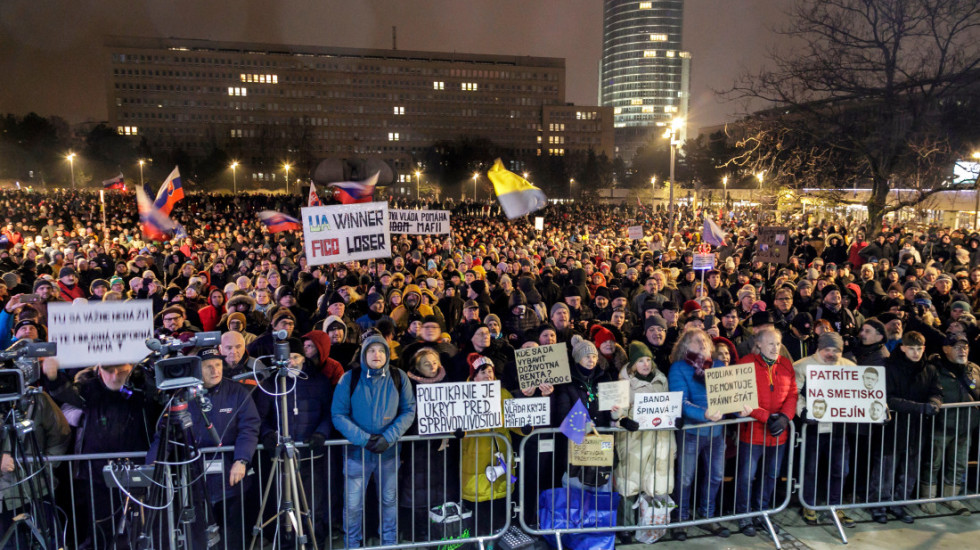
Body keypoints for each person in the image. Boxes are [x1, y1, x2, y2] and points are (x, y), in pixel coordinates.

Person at [331, 335, 416, 548]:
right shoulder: (349, 378)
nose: (376, 355)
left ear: (387, 354)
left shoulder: (399, 377)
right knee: (353, 505)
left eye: (380, 350)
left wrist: (388, 437)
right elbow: (338, 414)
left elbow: (409, 410)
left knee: (389, 501)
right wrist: (364, 439)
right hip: (356, 453)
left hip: (389, 452)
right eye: (371, 350)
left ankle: (389, 542)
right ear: (363, 354)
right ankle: (352, 543)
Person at [610, 342, 680, 540]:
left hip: (659, 441)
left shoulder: (661, 380)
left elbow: (668, 407)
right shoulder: (624, 382)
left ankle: (650, 526)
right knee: (629, 484)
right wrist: (623, 420)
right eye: (641, 360)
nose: (645, 364)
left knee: (655, 484)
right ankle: (626, 527)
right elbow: (617, 412)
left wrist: (676, 419)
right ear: (633, 364)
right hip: (634, 441)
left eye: (648, 360)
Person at [666, 329, 728, 541]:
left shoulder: (719, 366)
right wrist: (704, 413)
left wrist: (741, 409)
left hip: (717, 433)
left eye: (704, 340)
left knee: (716, 475)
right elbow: (680, 402)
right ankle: (681, 519)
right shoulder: (678, 368)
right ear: (685, 346)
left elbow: (729, 398)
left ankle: (707, 515)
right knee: (685, 478)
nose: (702, 343)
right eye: (696, 340)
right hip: (692, 432)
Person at [736, 327, 798, 536]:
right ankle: (743, 515)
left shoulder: (786, 364)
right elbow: (740, 397)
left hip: (778, 434)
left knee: (771, 475)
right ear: (759, 344)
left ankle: (761, 512)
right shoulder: (746, 363)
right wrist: (765, 416)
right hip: (752, 433)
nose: (775, 347)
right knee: (747, 476)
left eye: (778, 344)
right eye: (770, 343)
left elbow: (792, 394)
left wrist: (784, 417)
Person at [793, 331, 856, 527]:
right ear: (819, 349)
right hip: (812, 427)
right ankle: (808, 504)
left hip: (839, 428)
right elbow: (795, 393)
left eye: (835, 350)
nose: (831, 354)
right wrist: (802, 412)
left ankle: (835, 505)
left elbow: (862, 393)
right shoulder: (802, 366)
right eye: (827, 349)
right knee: (810, 468)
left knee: (841, 469)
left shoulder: (849, 367)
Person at [922, 333, 980, 515]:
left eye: (965, 346)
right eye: (957, 347)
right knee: (933, 462)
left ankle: (951, 498)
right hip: (941, 425)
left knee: (958, 463)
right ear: (946, 349)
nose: (962, 350)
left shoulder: (974, 369)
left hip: (966, 425)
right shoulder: (935, 369)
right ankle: (928, 498)